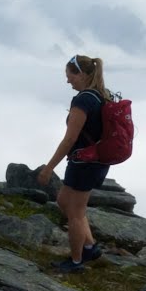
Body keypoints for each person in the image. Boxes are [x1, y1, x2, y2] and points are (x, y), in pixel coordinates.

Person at [37, 54, 111, 273]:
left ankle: (76, 261)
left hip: (84, 162)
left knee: (76, 213)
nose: (68, 80)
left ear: (82, 74)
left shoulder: (82, 100)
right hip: (94, 160)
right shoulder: (100, 95)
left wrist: (49, 167)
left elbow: (70, 139)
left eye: (70, 75)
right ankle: (89, 247)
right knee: (63, 200)